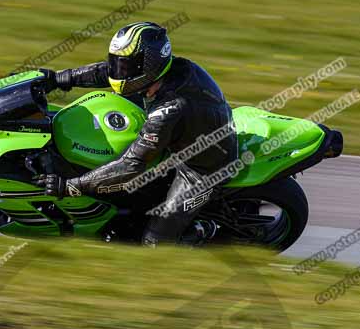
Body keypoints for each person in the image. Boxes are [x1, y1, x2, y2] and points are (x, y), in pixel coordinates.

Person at [35, 22, 237, 245]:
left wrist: (72, 186)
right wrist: (60, 78)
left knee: (155, 243)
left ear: (148, 65)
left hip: (201, 168)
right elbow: (108, 73)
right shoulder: (162, 72)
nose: (118, 70)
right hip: (184, 133)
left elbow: (131, 165)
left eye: (125, 66)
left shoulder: (168, 109)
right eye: (117, 62)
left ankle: (203, 230)